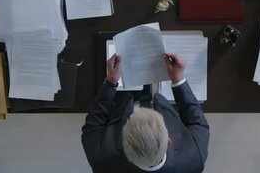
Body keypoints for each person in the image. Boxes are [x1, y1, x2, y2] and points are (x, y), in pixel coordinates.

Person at [81, 52, 210, 172]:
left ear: (124, 143)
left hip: (121, 101)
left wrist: (110, 82)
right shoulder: (194, 157)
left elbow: (93, 124)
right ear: (169, 141)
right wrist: (178, 79)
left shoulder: (100, 160)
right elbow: (197, 121)